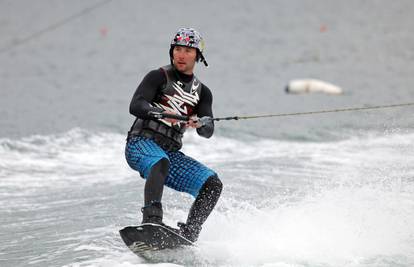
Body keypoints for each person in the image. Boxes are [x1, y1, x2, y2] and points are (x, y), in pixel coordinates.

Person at [125, 27, 223, 242]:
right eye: (177, 49)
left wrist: (199, 123)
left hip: (170, 155)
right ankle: (151, 220)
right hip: (140, 144)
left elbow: (208, 131)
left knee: (212, 185)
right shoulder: (158, 77)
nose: (181, 55)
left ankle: (189, 234)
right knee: (159, 162)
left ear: (198, 55)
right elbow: (136, 105)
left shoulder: (203, 92)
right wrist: (161, 112)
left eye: (188, 50)